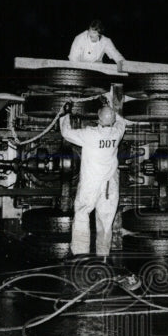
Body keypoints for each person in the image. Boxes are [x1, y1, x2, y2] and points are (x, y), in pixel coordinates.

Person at [59, 101, 128, 257]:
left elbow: (66, 133)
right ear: (112, 120)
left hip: (91, 183)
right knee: (106, 220)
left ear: (98, 118)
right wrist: (110, 107)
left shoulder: (89, 134)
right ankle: (103, 256)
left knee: (82, 214)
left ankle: (80, 254)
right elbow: (121, 121)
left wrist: (66, 113)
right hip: (109, 185)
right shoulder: (117, 133)